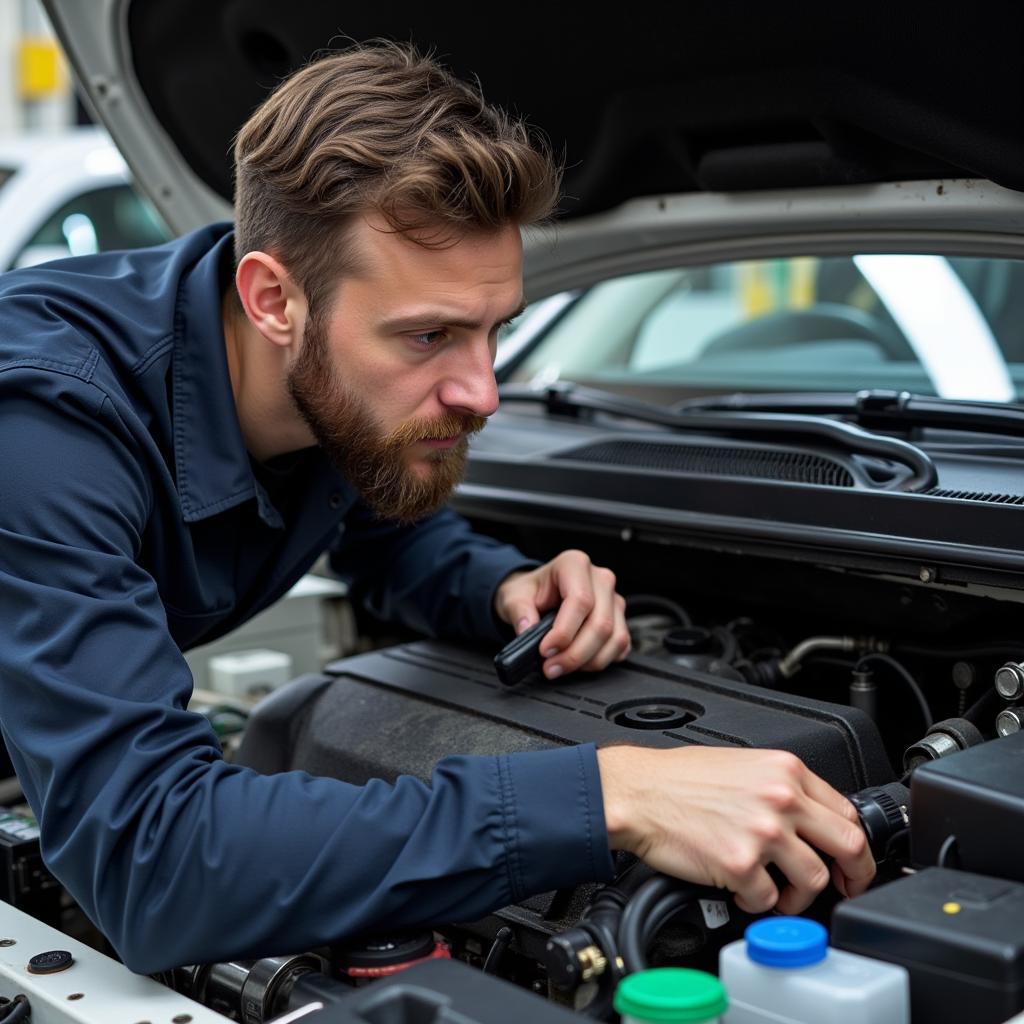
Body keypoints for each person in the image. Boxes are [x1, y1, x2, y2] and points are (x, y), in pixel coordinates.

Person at [0, 42, 873, 973]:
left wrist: (506, 589)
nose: (483, 392)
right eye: (429, 335)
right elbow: (157, 864)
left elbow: (387, 540)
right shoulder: (44, 429)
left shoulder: (330, 388)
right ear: (272, 300)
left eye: (495, 331)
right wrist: (614, 794)